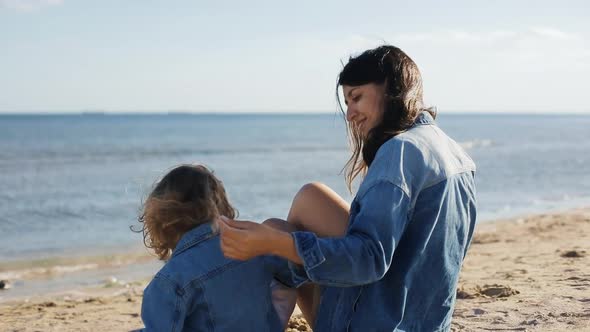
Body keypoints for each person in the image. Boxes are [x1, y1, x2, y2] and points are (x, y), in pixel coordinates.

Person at [218, 45, 477, 331]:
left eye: (356, 98)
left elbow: (370, 260)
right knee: (308, 198)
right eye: (347, 102)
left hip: (382, 320)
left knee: (277, 235)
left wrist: (273, 243)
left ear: (391, 88)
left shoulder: (399, 152)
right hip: (423, 319)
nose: (350, 114)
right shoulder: (454, 152)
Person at [136, 164, 297, 332]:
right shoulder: (250, 248)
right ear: (221, 206)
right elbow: (291, 275)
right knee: (281, 280)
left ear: (161, 224)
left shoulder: (169, 280)